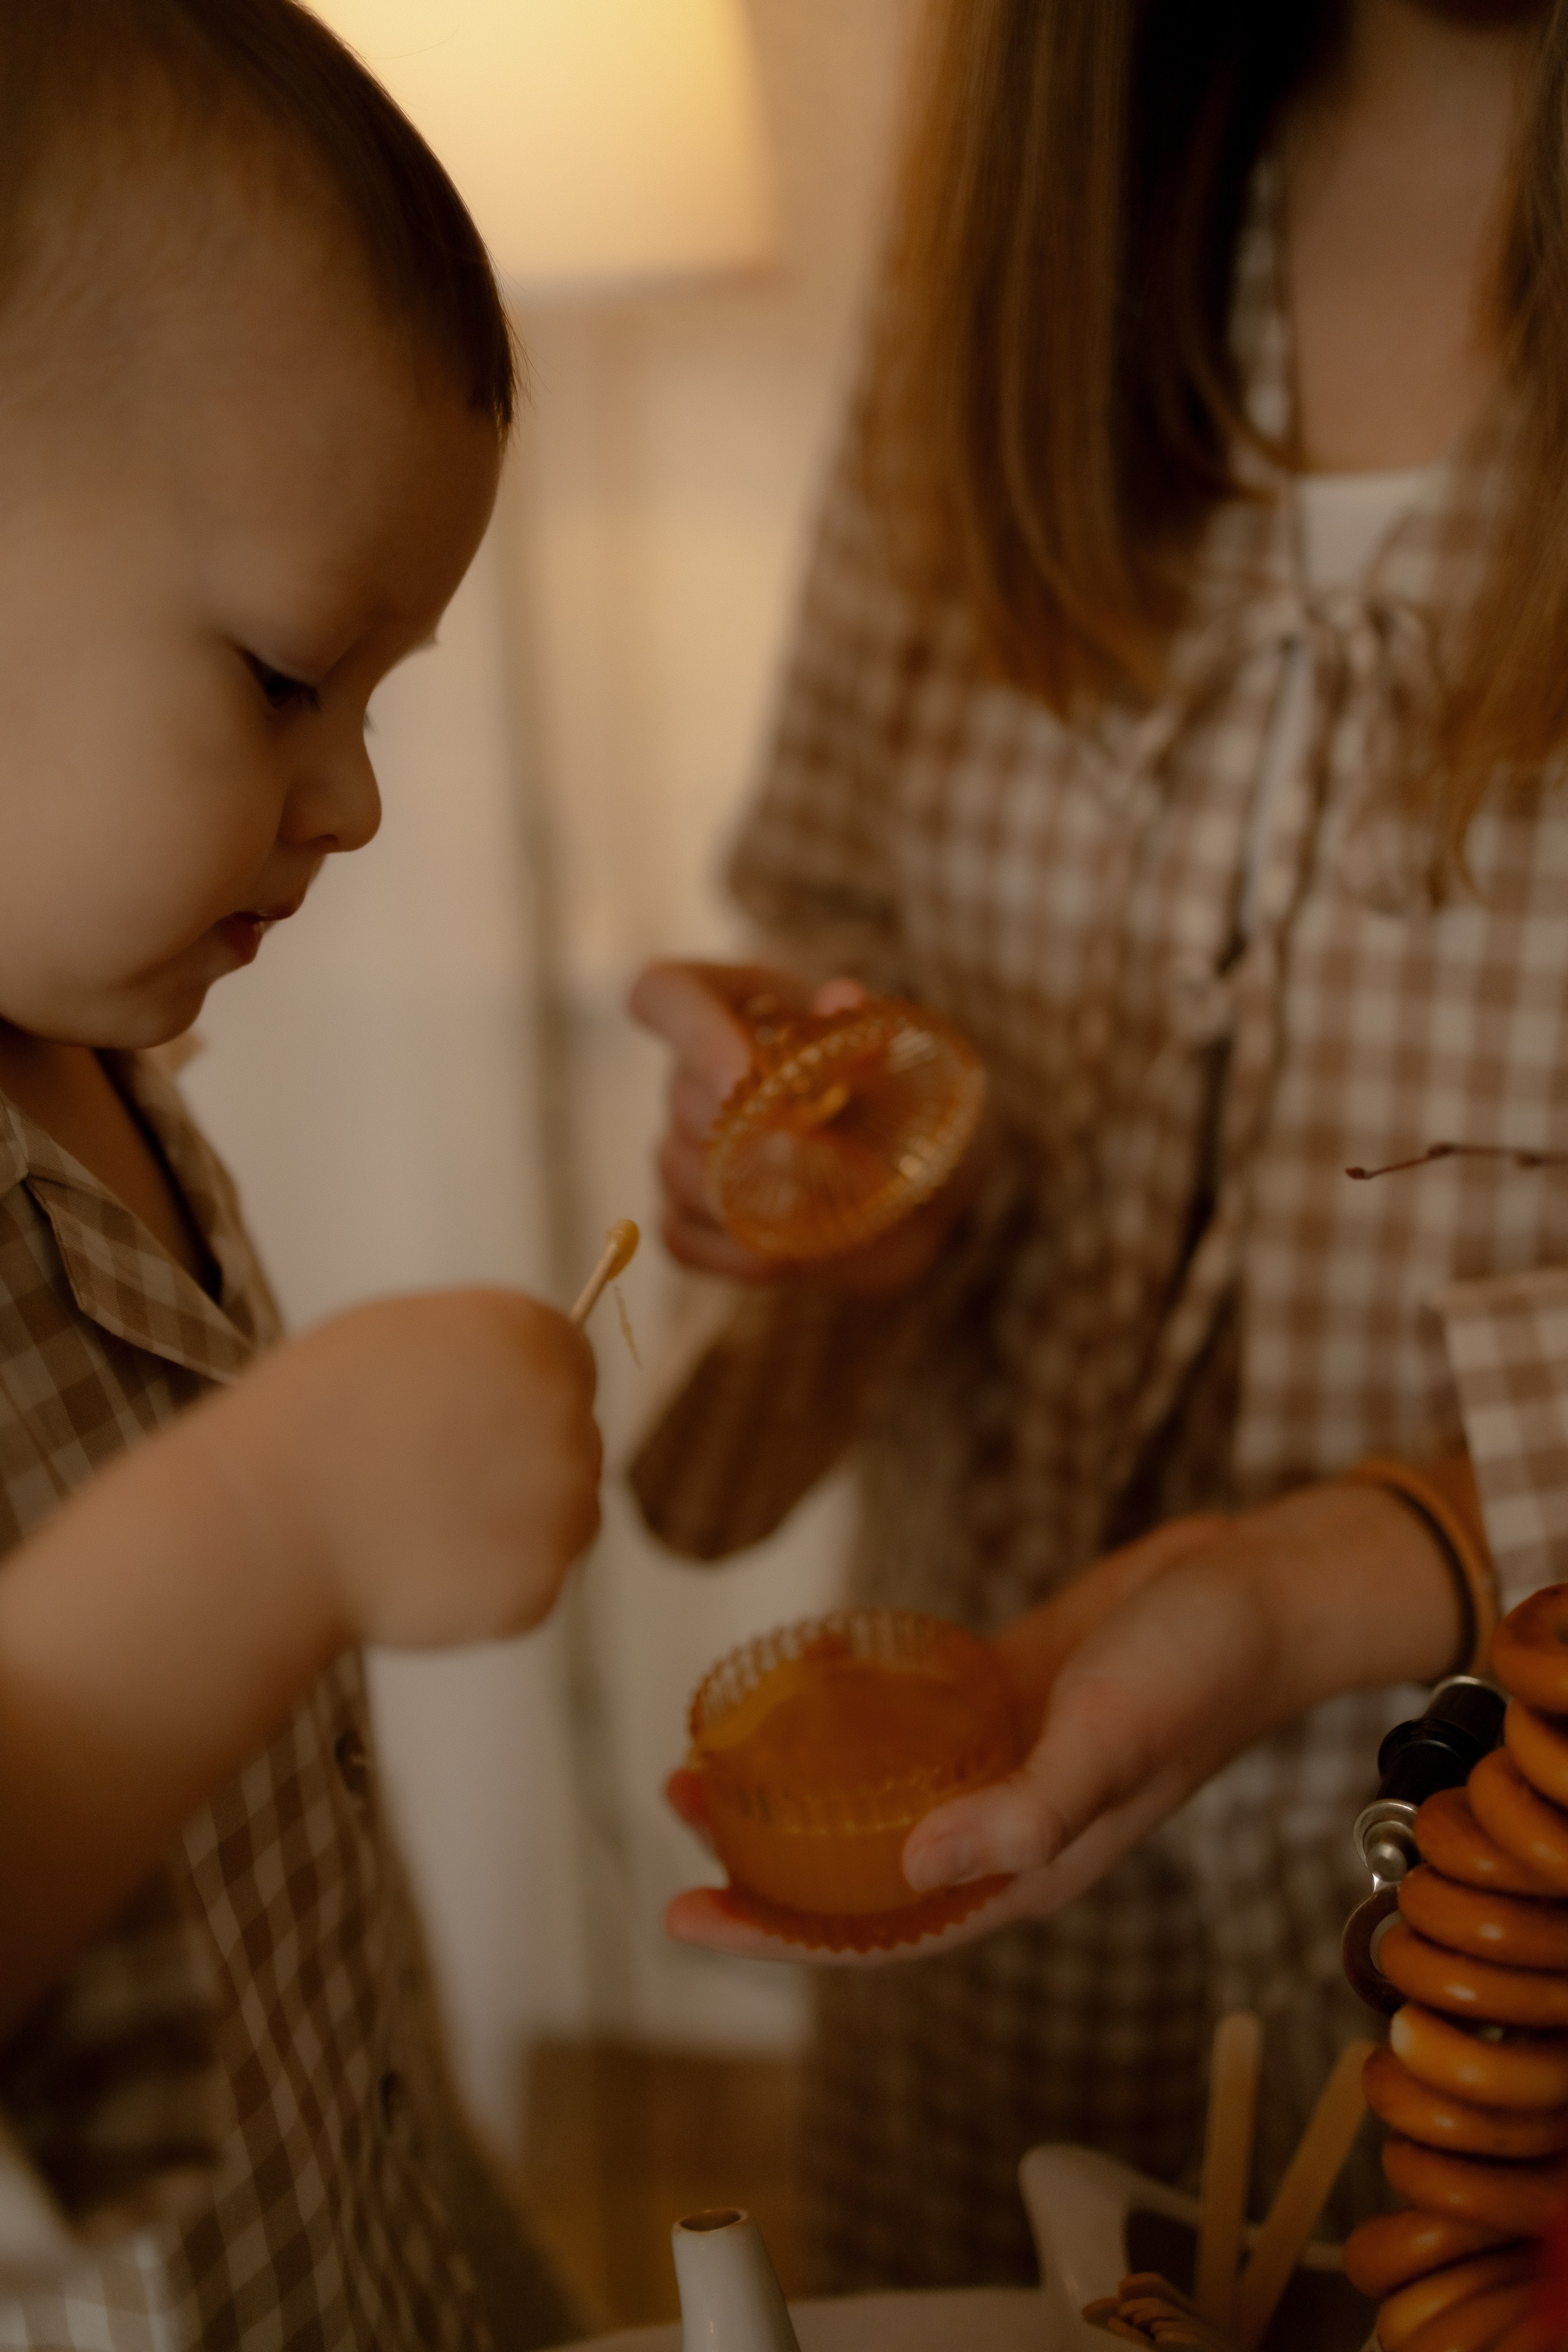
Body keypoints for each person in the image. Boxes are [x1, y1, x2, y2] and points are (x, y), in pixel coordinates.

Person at [630, 0, 1568, 2294]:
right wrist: (826, 1191)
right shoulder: (1025, 272)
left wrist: (1326, 1581)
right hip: (1000, 1897)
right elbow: (856, 941)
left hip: (1517, 1968)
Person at [0, 4, 602, 2345]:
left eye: (380, 696)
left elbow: (287, 1941)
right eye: (278, 674)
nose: (350, 803)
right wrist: (274, 1527)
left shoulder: (108, 1074)